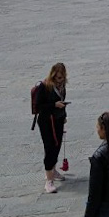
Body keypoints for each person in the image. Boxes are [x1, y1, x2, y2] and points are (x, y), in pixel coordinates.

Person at [34, 62, 68, 193]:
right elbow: (39, 106)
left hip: (58, 119)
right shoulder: (44, 86)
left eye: (62, 77)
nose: (60, 80)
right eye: (58, 78)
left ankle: (52, 170)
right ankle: (49, 181)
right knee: (50, 148)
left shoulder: (62, 86)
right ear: (53, 75)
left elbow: (62, 101)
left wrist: (64, 114)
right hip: (46, 121)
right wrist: (54, 105)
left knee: (57, 145)